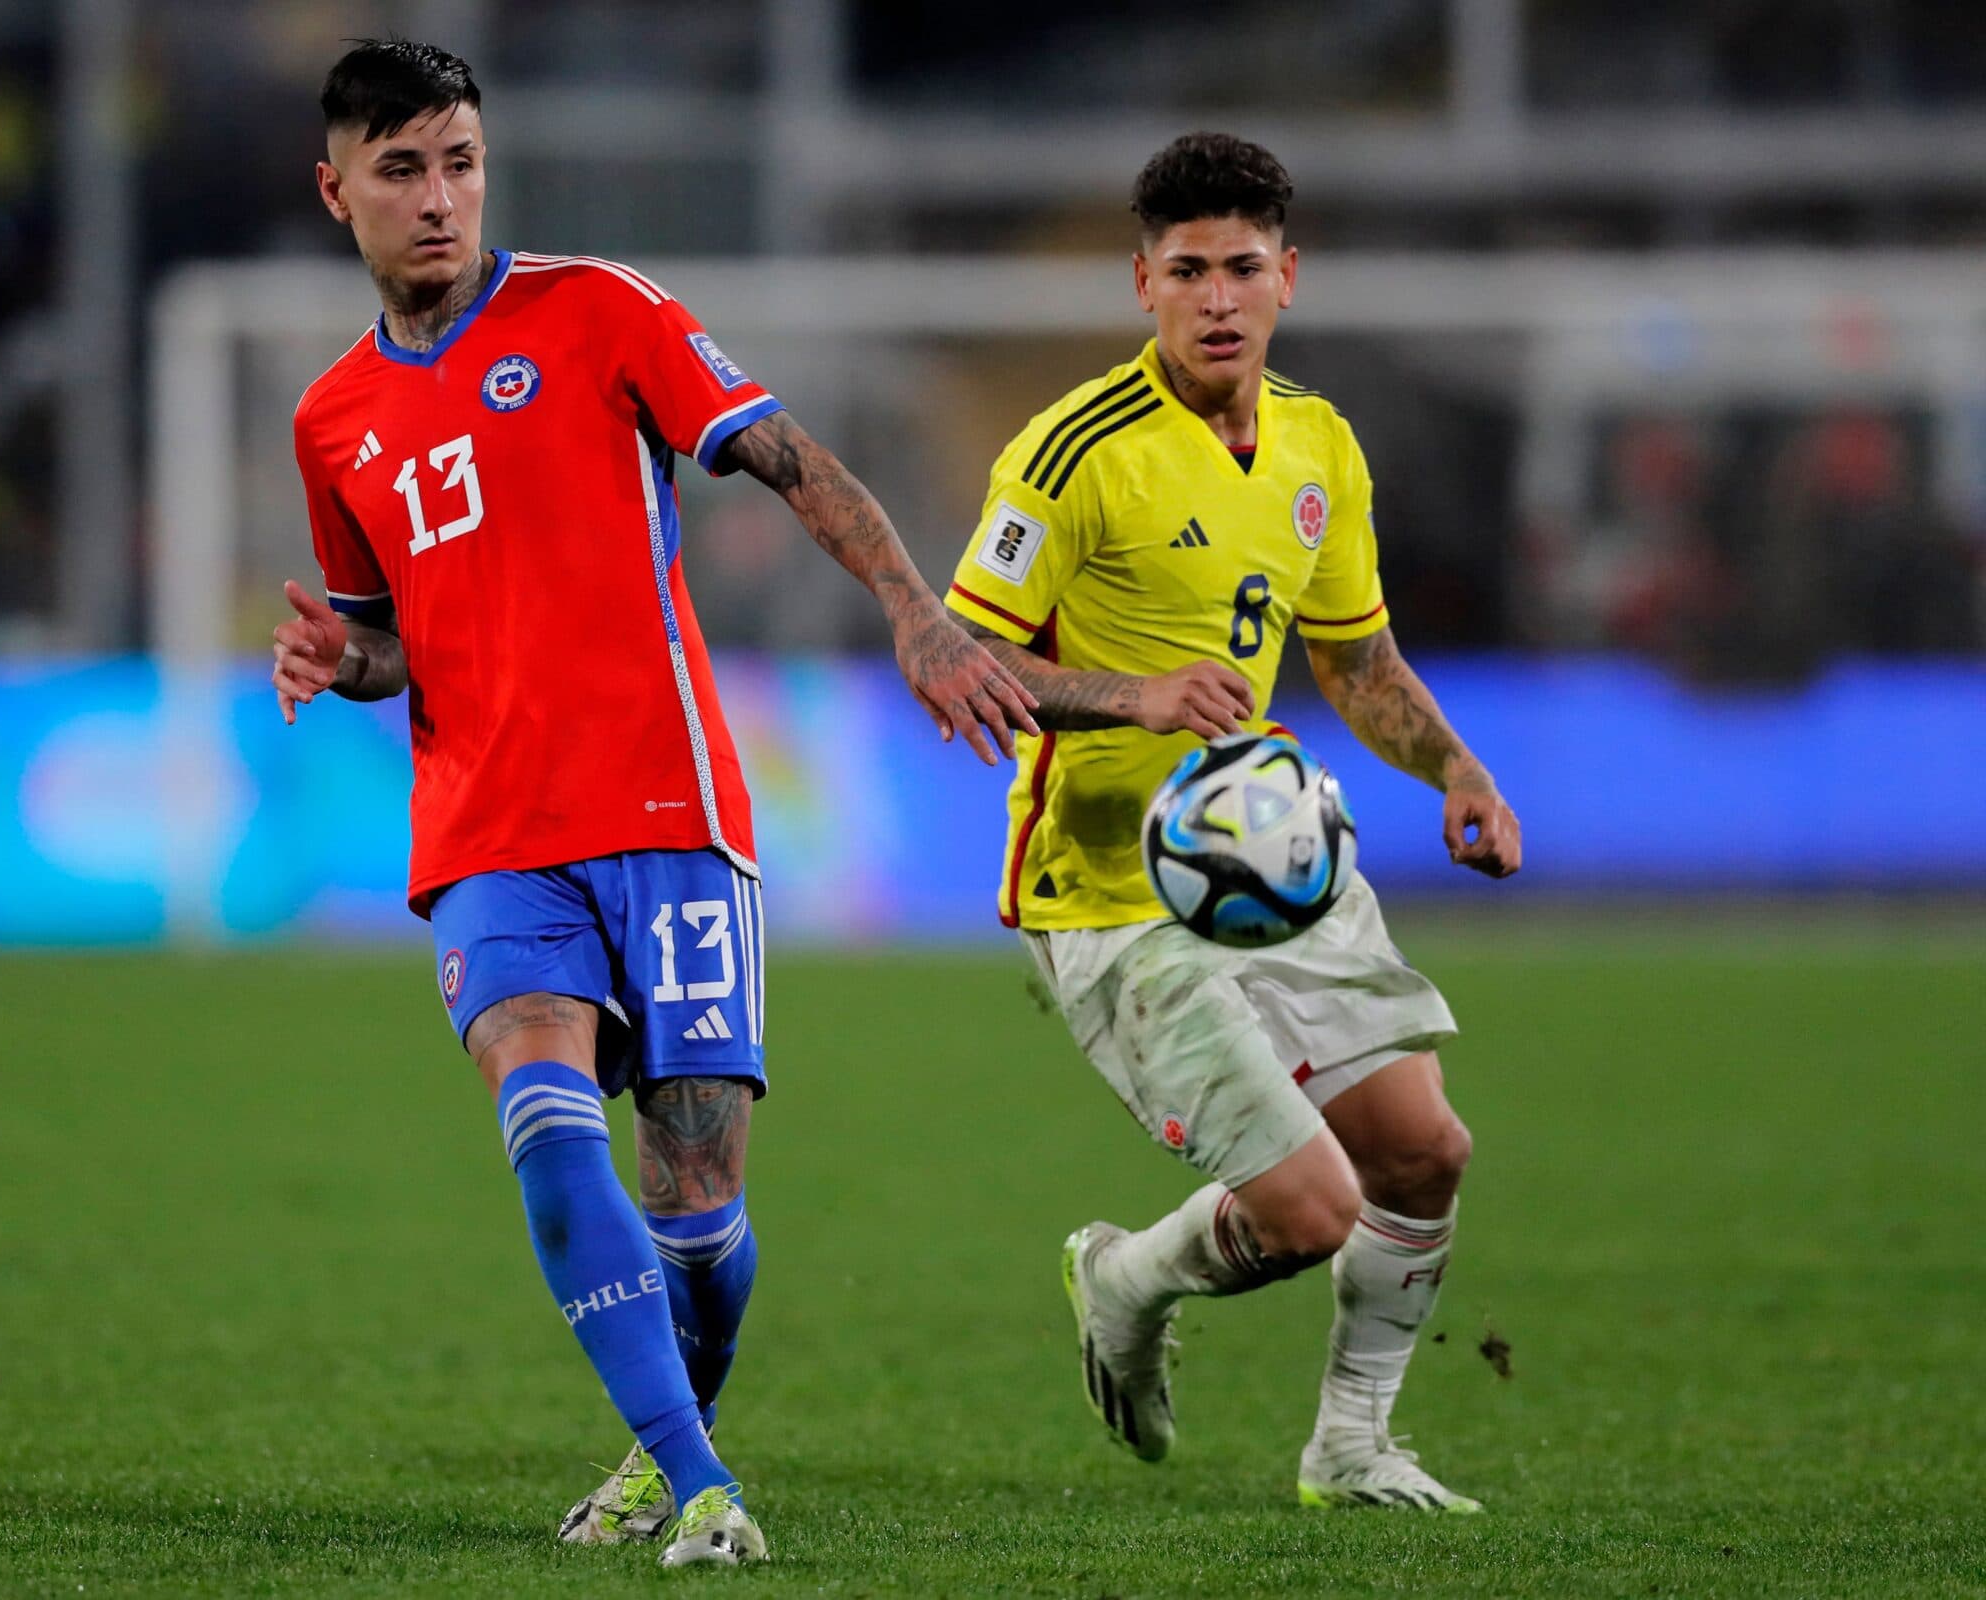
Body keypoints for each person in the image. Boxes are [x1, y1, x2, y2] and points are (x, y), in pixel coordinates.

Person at [266, 40, 1036, 1569]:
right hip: (489, 837)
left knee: (695, 1208)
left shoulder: (595, 311)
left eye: (462, 161)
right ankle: (701, 1487)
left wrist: (913, 610)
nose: (440, 198)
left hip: (670, 811)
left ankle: (659, 1443)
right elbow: (394, 636)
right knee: (549, 1125)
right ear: (335, 184)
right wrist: (342, 656)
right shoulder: (333, 421)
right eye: (404, 167)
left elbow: (784, 455)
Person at [941, 134, 1522, 1511]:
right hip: (1110, 894)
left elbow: (1359, 662)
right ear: (1142, 280)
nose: (1217, 296)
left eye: (1243, 268)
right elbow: (961, 661)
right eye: (1187, 269)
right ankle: (1124, 1278)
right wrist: (1132, 697)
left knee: (1426, 1153)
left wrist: (1458, 772)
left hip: (1275, 854)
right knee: (1311, 1213)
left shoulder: (1318, 443)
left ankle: (1353, 1448)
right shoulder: (1068, 453)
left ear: (1288, 278)